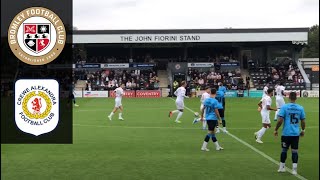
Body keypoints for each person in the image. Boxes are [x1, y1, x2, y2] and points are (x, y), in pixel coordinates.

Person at [274, 92, 306, 175]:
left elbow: (280, 120)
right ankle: (294, 170)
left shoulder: (284, 107)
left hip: (286, 133)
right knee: (294, 151)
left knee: (284, 150)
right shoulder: (300, 108)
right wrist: (303, 130)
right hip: (295, 134)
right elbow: (303, 121)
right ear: (296, 98)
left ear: (288, 98)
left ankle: (281, 167)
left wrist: (276, 129)